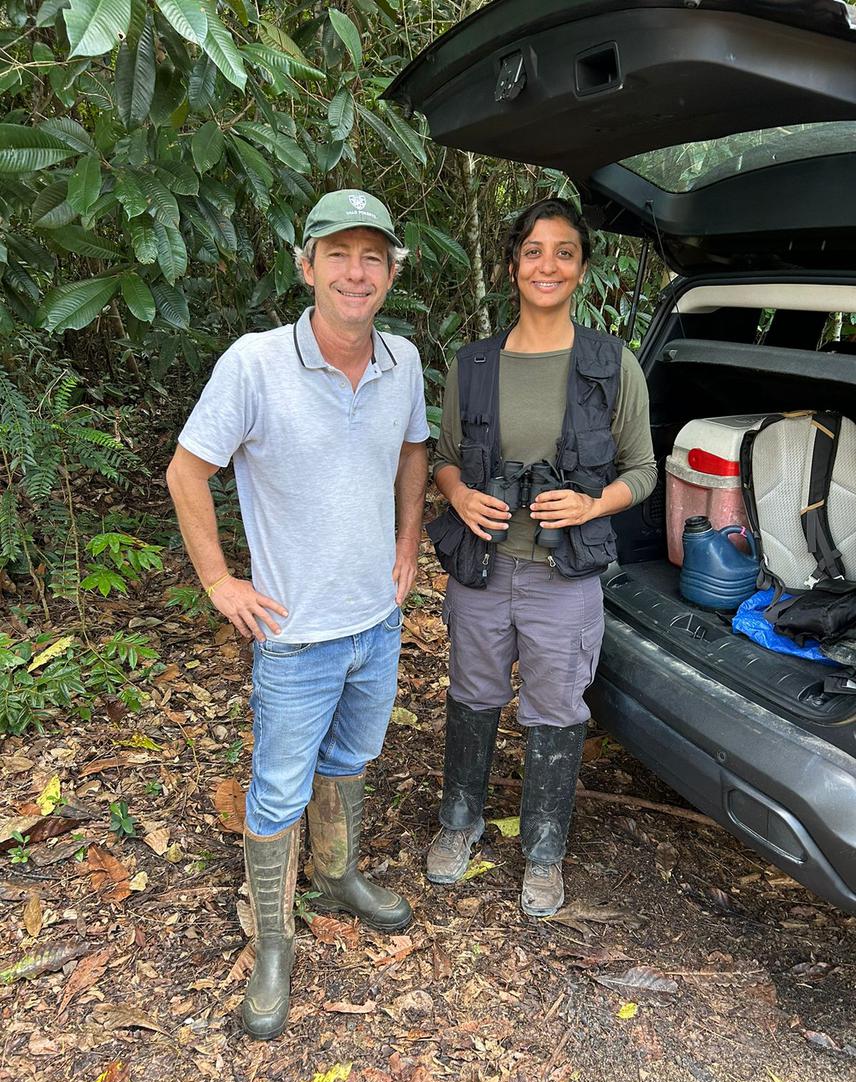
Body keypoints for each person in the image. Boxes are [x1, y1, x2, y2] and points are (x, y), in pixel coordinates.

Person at [166, 189, 429, 1039]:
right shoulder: (255, 363)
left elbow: (416, 449)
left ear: (390, 272)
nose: (357, 272)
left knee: (353, 756)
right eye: (339, 254)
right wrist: (219, 583)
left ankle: (340, 874)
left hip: (375, 623)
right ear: (306, 264)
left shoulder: (404, 363)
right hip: (293, 636)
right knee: (277, 788)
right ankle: (274, 941)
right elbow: (186, 471)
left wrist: (408, 543)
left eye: (373, 257)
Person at [425, 197, 656, 917]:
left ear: (583, 267)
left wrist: (590, 505)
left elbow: (645, 469)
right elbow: (447, 460)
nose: (546, 264)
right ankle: (458, 824)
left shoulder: (610, 365)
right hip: (485, 569)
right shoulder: (475, 363)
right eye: (533, 251)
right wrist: (459, 495)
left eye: (563, 251)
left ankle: (545, 852)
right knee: (473, 696)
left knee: (557, 709)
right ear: (512, 264)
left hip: (565, 575)